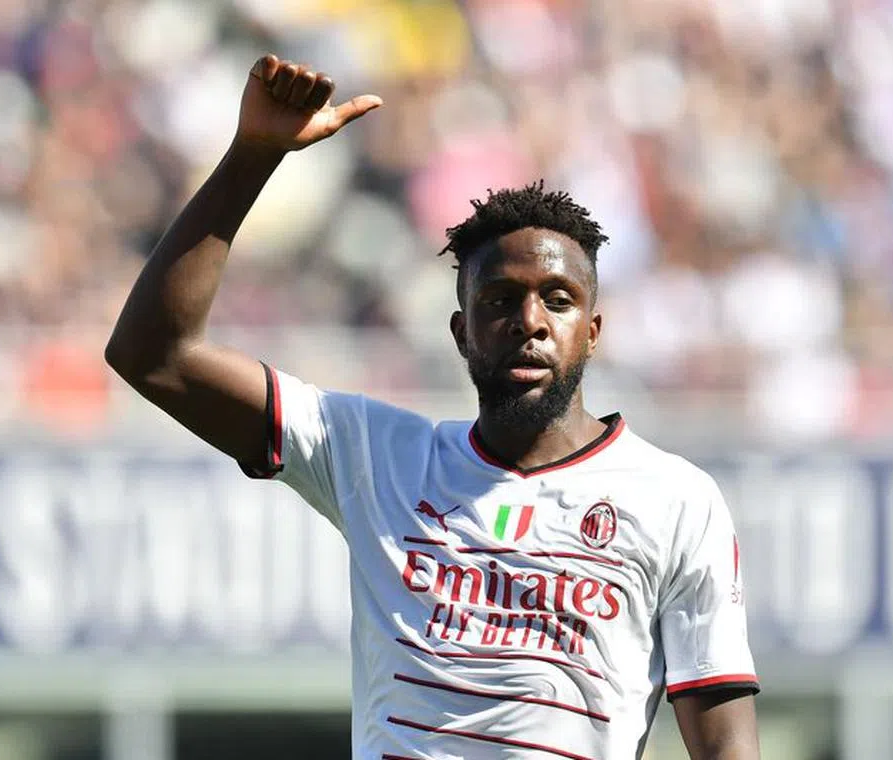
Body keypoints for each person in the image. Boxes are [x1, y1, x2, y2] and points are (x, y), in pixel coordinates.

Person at [106, 54, 761, 760]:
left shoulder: (675, 500)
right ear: (460, 332)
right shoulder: (374, 455)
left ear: (593, 331)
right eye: (500, 300)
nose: (531, 321)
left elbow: (726, 747)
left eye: (558, 300)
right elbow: (154, 355)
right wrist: (253, 156)